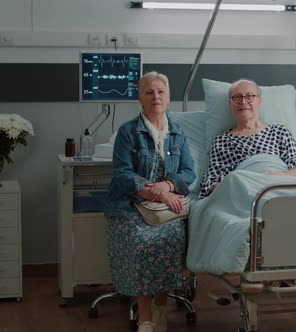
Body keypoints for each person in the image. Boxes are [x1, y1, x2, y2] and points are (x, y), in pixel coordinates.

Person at [104, 71, 195, 332]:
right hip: (130, 205)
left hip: (166, 209)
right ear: (140, 98)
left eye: (161, 92)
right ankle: (145, 318)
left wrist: (167, 186)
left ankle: (161, 308)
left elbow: (189, 172)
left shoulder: (178, 131)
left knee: (171, 239)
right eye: (149, 92)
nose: (156, 96)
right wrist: (160, 193)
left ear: (168, 97)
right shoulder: (128, 132)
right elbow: (122, 175)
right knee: (143, 243)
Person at [199, 79, 296, 198]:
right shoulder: (221, 141)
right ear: (230, 104)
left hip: (278, 187)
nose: (243, 101)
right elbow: (210, 181)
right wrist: (236, 188)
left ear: (259, 101)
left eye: (249, 96)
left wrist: (282, 176)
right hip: (243, 192)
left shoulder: (278, 132)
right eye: (237, 97)